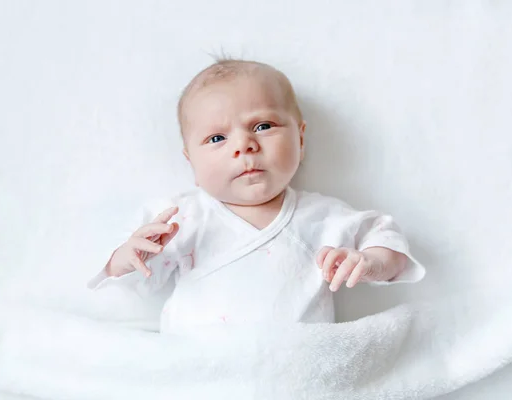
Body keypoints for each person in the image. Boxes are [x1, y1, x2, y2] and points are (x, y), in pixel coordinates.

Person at [88, 59, 425, 335]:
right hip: (201, 371)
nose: (243, 145)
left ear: (300, 138)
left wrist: (373, 262)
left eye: (263, 126)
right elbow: (139, 282)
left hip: (293, 372)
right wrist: (126, 257)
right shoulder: (180, 218)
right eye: (217, 138)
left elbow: (385, 237)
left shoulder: (321, 217)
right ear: (190, 160)